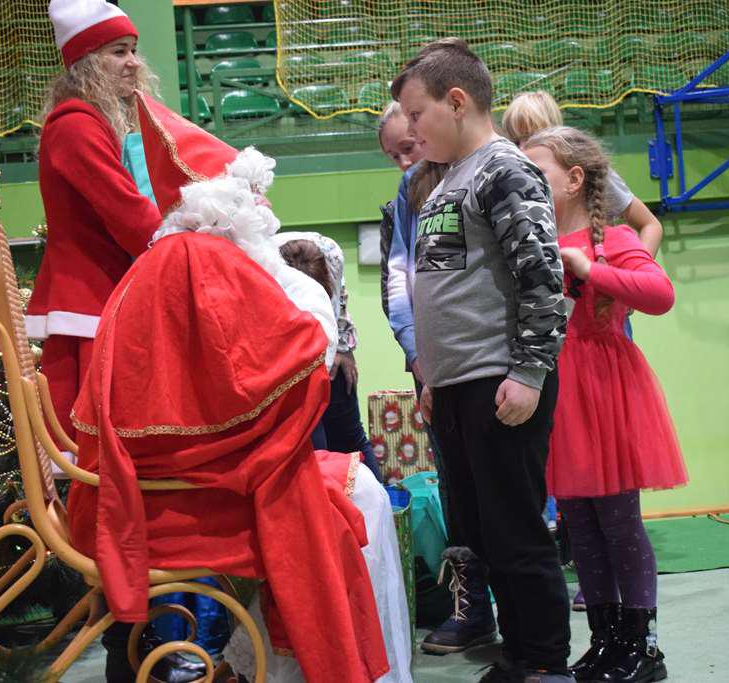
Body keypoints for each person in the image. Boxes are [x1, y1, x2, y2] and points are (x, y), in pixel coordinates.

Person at [67, 91, 407, 683]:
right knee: (364, 500)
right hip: (186, 497)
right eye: (254, 195)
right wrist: (317, 324)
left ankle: (267, 664)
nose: (265, 208)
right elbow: (282, 368)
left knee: (356, 493)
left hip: (145, 482)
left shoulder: (166, 259)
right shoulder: (209, 261)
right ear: (222, 203)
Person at [392, 38, 571, 683]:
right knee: (482, 534)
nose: (411, 131)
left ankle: (544, 662)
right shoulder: (447, 179)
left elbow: (542, 278)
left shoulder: (504, 170)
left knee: (516, 532)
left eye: (417, 115)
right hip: (457, 386)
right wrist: (434, 378)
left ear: (457, 101)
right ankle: (517, 655)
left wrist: (529, 372)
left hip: (500, 381)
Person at [522, 126, 687, 683]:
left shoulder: (611, 238)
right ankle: (605, 640)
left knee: (619, 522)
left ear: (574, 179)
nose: (527, 180)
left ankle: (643, 648)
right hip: (557, 394)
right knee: (580, 526)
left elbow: (660, 294)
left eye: (537, 171)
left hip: (604, 391)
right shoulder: (531, 241)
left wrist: (591, 270)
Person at [378, 102, 498, 655]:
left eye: (411, 146)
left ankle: (524, 617)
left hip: (489, 363)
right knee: (456, 488)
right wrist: (418, 358)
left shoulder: (486, 174)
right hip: (434, 369)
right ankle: (472, 608)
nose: (406, 161)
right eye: (394, 155)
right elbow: (399, 280)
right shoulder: (406, 197)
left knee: (506, 492)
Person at [27, 0, 162, 441]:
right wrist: (176, 242)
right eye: (119, 52)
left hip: (100, 291)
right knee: (95, 441)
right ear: (86, 63)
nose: (134, 63)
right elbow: (127, 211)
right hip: (88, 297)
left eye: (133, 50)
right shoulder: (75, 126)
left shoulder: (90, 122)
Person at [501, 91, 663, 258]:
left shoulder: (589, 169)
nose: (522, 148)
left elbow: (650, 225)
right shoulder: (516, 179)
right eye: (515, 141)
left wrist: (635, 269)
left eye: (530, 137)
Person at [275, 232, 381, 481]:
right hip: (284, 360)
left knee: (349, 436)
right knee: (314, 448)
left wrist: (342, 347)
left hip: (329, 346)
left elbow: (338, 301)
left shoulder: (331, 254)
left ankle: (380, 500)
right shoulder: (262, 267)